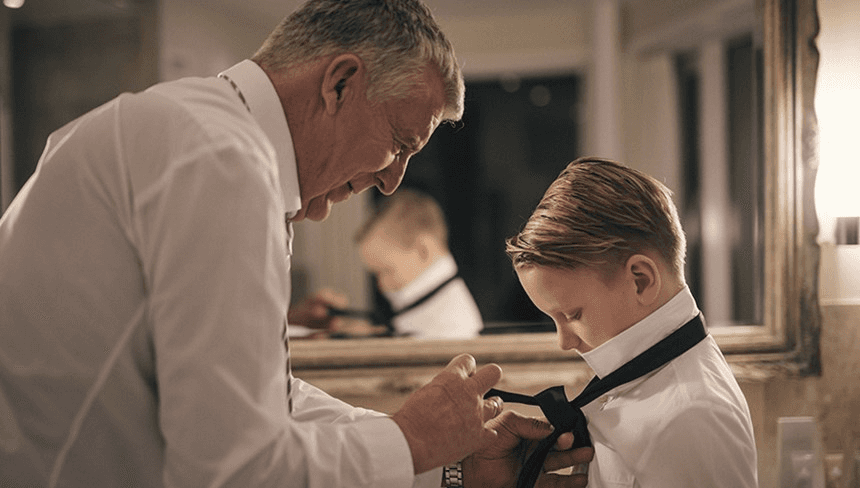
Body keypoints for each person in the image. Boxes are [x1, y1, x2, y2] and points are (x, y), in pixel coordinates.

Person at [0, 1, 593, 487]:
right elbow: (237, 472)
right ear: (339, 84)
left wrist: (446, 466)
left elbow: (269, 404)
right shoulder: (220, 162)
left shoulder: (189, 132)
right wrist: (411, 440)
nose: (393, 181)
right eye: (399, 143)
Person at [504, 157, 759, 486]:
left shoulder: (691, 418)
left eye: (572, 315)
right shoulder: (641, 388)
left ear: (641, 280)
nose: (564, 342)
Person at [352, 188, 483, 339]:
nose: (381, 285)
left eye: (387, 270)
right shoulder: (422, 310)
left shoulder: (450, 329)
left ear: (423, 250)